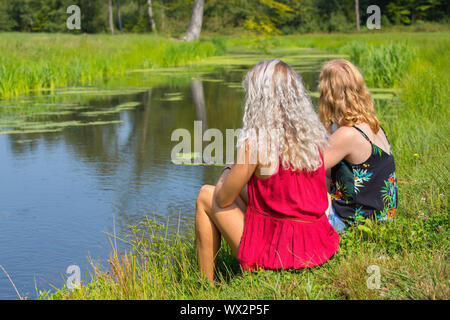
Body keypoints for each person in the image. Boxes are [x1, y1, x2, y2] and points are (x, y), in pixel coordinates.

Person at [195, 59, 340, 282]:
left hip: (279, 255)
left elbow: (223, 199)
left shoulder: (257, 144)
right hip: (316, 244)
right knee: (244, 190)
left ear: (260, 100)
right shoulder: (312, 137)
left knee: (207, 194)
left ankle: (205, 286)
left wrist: (228, 168)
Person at [318, 59, 398, 232]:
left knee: (297, 189)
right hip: (382, 218)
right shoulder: (372, 126)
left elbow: (306, 171)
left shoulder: (347, 134)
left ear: (328, 94)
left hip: (356, 223)